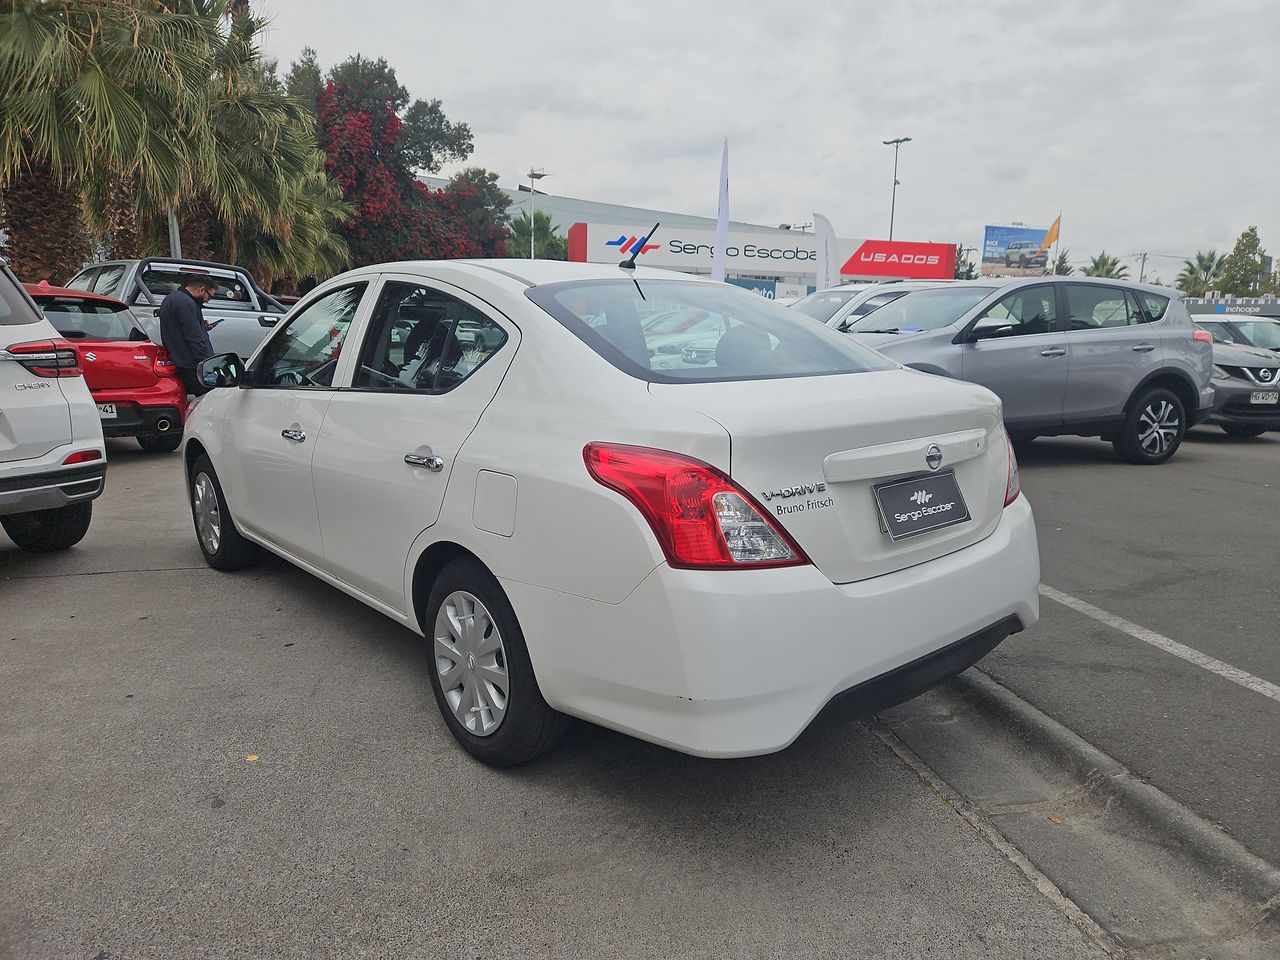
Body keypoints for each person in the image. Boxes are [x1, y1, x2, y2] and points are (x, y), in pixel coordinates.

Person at [158, 275, 216, 396]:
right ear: (201, 289)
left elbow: (180, 328)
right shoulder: (186, 303)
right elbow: (194, 337)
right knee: (207, 400)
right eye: (209, 296)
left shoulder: (172, 299)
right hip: (192, 364)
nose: (207, 300)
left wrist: (201, 326)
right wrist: (206, 363)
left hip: (180, 361)